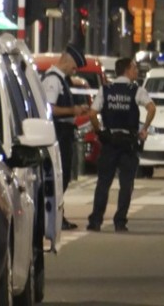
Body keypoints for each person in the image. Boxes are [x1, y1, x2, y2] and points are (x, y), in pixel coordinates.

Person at [86, 57, 156, 232]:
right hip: (128, 142)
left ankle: (96, 221)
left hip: (110, 141)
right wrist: (144, 129)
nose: (136, 71)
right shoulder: (136, 90)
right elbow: (152, 108)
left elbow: (92, 113)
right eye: (134, 67)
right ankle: (120, 221)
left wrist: (100, 132)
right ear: (126, 69)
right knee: (126, 184)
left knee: (103, 183)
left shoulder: (106, 89)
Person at [41, 44, 90, 230]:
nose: (74, 71)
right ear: (67, 60)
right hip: (59, 133)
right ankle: (55, 218)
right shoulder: (53, 81)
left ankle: (58, 215)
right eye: (74, 66)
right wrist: (74, 110)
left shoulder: (61, 80)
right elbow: (50, 109)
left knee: (64, 176)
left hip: (64, 133)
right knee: (60, 177)